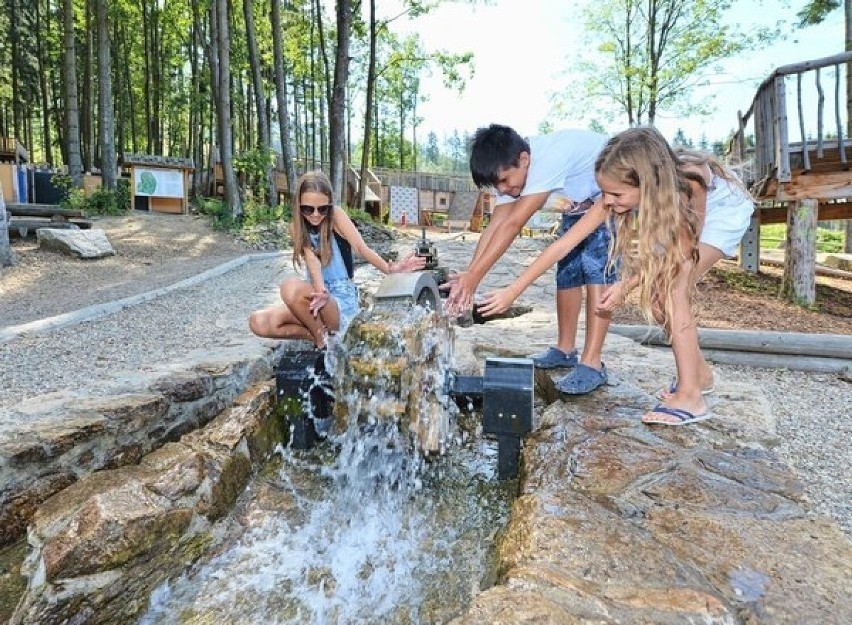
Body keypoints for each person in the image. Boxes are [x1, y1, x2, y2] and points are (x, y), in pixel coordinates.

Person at [477, 126, 755, 425]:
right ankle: (699, 375)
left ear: (643, 183)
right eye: (603, 193)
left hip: (720, 213)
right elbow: (562, 245)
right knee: (661, 298)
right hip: (679, 216)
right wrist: (512, 291)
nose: (607, 201)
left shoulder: (688, 183)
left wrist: (627, 283)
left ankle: (691, 396)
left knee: (672, 289)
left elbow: (681, 255)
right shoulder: (618, 192)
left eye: (615, 194)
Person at [445, 124, 616, 394]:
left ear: (524, 160)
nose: (504, 188)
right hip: (579, 206)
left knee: (596, 271)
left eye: (505, 181)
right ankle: (565, 348)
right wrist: (471, 276)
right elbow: (495, 225)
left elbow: (513, 224)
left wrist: (477, 279)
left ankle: (592, 362)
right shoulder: (511, 170)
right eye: (497, 184)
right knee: (568, 273)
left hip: (610, 199)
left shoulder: (546, 160)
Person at [249, 170, 426, 348]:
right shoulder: (296, 227)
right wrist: (320, 290)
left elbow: (361, 248)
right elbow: (312, 261)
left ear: (329, 205)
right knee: (257, 321)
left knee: (290, 287)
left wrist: (390, 269)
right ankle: (321, 337)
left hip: (340, 301)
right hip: (316, 296)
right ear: (299, 205)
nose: (315, 214)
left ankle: (322, 343)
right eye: (308, 209)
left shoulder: (336, 217)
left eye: (322, 208)